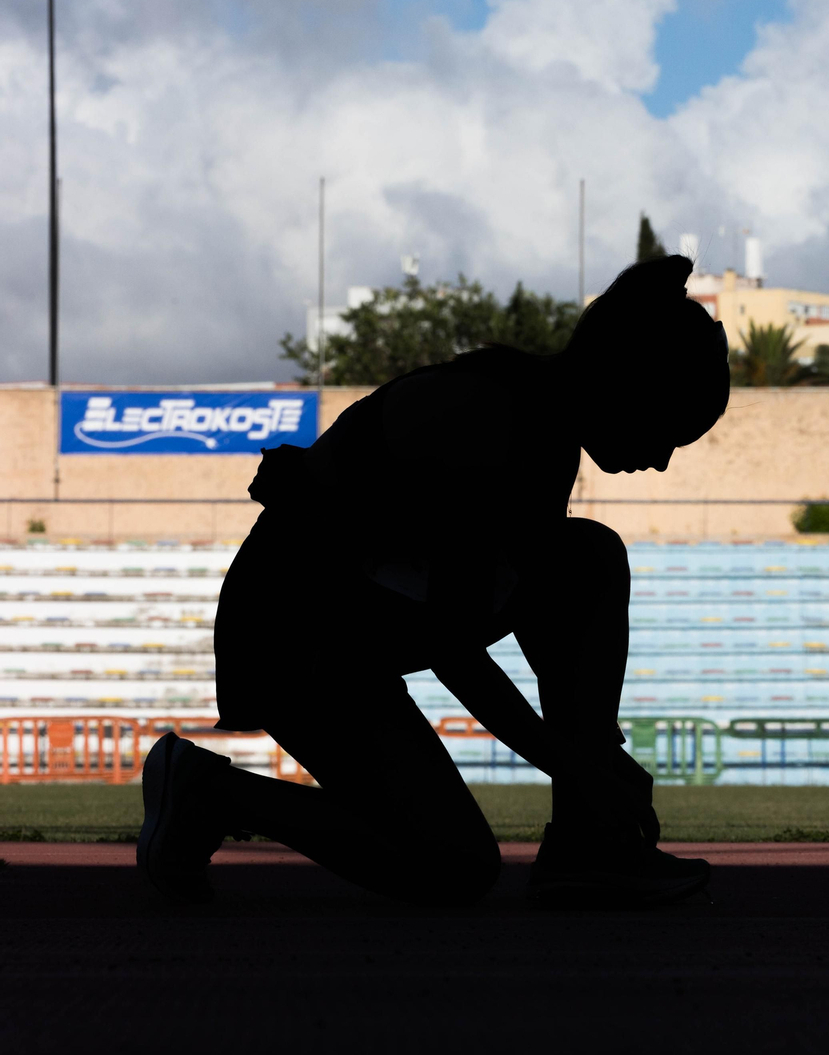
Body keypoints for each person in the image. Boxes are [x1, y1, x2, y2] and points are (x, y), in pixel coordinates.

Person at [136, 255, 731, 907]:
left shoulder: (536, 429)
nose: (665, 458)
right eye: (671, 425)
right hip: (290, 641)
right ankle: (210, 791)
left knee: (584, 558)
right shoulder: (492, 422)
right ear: (628, 383)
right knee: (452, 866)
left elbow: (512, 614)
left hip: (344, 635)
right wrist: (578, 768)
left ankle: (588, 846)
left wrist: (591, 758)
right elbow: (455, 648)